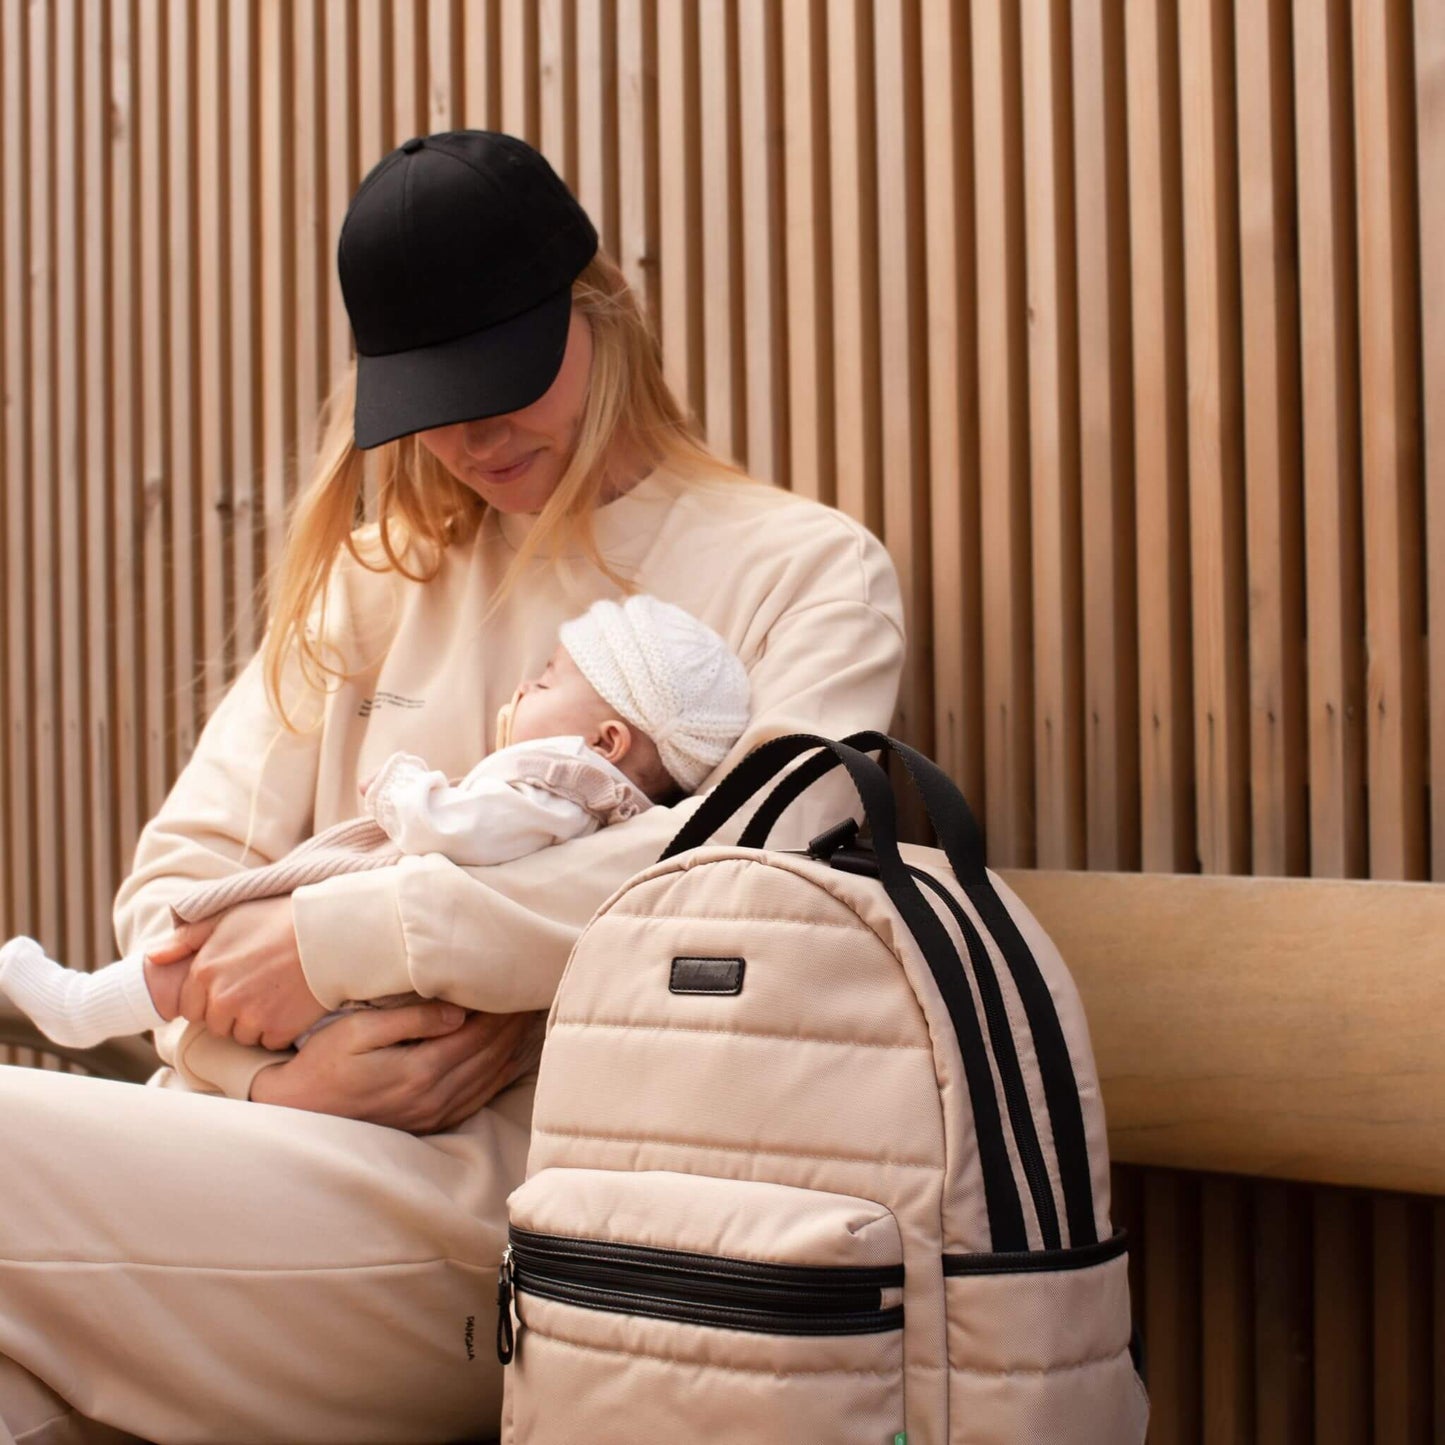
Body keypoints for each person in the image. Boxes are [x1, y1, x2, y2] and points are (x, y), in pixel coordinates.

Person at [0, 130, 904, 1445]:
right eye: (431, 400)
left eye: (502, 381)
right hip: (244, 1160)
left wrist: (345, 937)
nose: (469, 438)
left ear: (602, 316)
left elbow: (743, 878)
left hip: (521, 1240)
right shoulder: (378, 575)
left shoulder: (802, 574)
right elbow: (172, 890)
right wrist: (265, 1078)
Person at [0, 595, 750, 1053]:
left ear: (607, 741)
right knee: (222, 940)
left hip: (375, 950)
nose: (525, 683)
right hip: (384, 957)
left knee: (216, 944)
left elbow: (461, 829)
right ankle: (87, 1002)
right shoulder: (585, 802)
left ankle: (83, 1006)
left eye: (548, 680)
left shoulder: (555, 787)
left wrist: (401, 789)